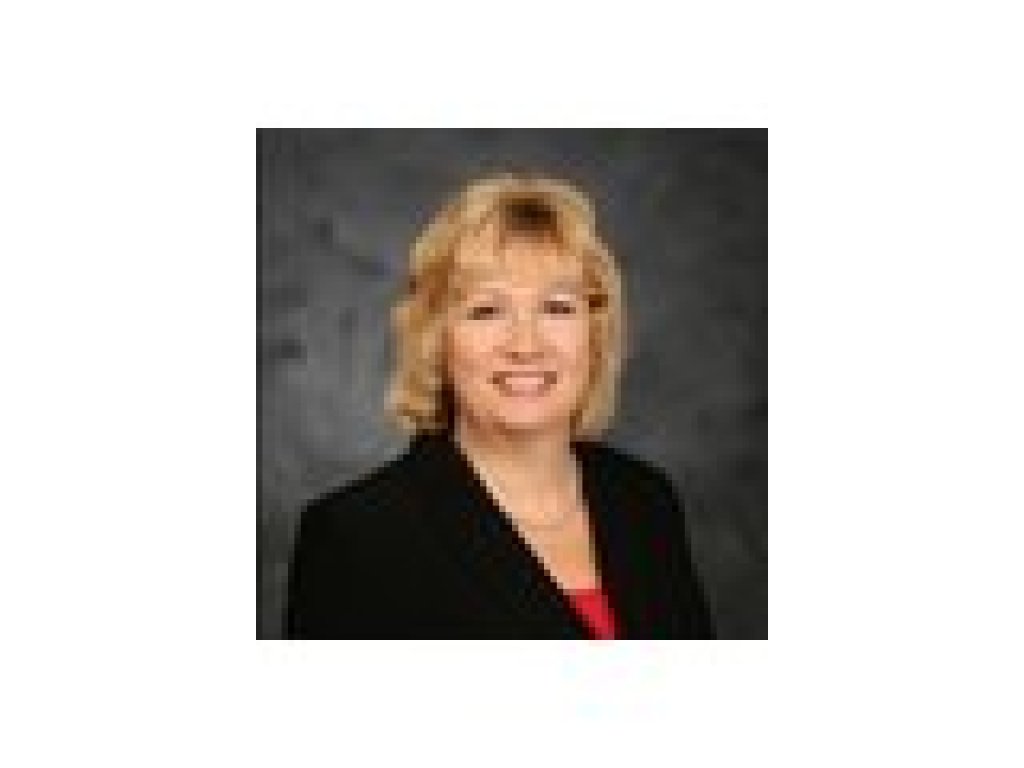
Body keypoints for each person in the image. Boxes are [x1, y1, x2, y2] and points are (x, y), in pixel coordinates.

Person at [286, 174, 715, 639]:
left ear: (594, 336)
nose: (526, 345)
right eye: (487, 310)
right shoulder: (357, 537)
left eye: (557, 307)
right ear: (436, 341)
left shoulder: (645, 500)